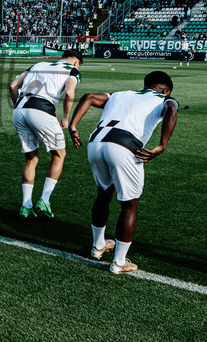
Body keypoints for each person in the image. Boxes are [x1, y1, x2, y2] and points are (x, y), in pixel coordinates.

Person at [68, 70, 178, 274]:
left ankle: (98, 246)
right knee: (129, 205)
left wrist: (73, 125)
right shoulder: (164, 99)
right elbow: (172, 109)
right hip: (124, 145)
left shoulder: (119, 94)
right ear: (166, 91)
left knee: (103, 194)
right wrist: (162, 145)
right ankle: (119, 262)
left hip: (96, 142)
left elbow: (89, 97)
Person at [8, 49, 84, 218]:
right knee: (59, 154)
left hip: (19, 110)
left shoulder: (37, 64)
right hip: (41, 110)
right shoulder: (73, 70)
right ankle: (44, 200)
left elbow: (13, 86)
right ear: (76, 62)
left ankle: (26, 205)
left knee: (31, 158)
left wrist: (18, 108)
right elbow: (69, 93)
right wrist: (65, 118)